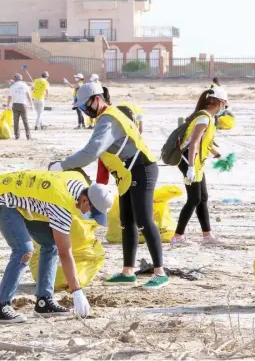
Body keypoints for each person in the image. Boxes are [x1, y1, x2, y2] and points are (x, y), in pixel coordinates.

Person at [49, 82, 168, 289]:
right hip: (126, 174)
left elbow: (91, 152)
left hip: (142, 169)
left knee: (144, 220)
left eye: (85, 106)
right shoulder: (106, 118)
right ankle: (128, 271)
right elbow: (102, 157)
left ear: (97, 99)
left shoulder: (109, 119)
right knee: (126, 221)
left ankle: (160, 272)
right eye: (81, 109)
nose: (85, 111)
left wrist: (62, 165)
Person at [0, 169, 113, 322]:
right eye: (93, 213)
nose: (91, 217)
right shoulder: (62, 205)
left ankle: (43, 301)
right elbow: (65, 253)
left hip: (22, 203)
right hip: (2, 202)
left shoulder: (79, 182)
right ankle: (2, 306)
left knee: (50, 243)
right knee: (24, 251)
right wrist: (77, 292)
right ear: (85, 200)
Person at [170, 88, 228, 246]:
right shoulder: (204, 119)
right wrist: (189, 168)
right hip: (188, 161)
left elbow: (205, 143)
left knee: (202, 198)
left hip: (195, 162)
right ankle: (177, 237)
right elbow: (194, 143)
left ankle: (207, 236)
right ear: (219, 103)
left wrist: (219, 156)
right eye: (225, 104)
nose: (225, 107)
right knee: (194, 198)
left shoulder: (207, 117)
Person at [7, 73, 33, 140]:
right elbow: (28, 96)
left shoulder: (12, 86)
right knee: (25, 120)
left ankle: (17, 136)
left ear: (15, 79)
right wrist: (31, 104)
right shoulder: (25, 85)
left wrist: (8, 105)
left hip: (15, 105)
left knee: (16, 121)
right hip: (23, 105)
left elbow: (9, 97)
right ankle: (28, 135)